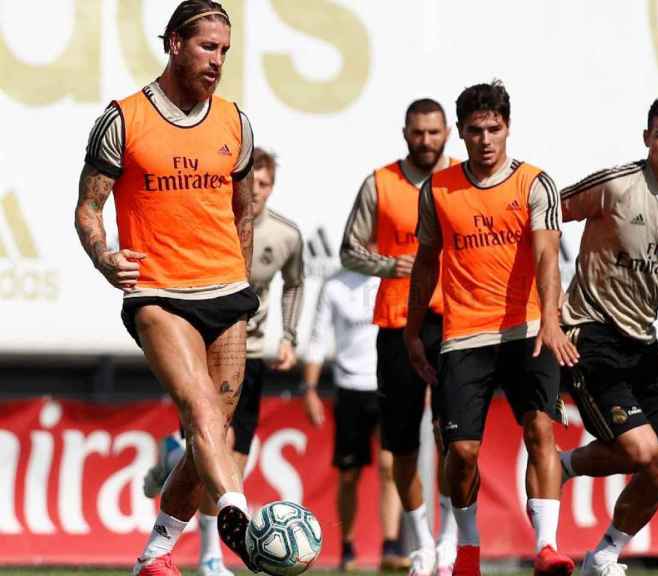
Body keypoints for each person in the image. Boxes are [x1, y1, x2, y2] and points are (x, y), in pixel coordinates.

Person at [73, 1, 260, 574]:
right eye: (208, 47)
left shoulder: (235, 120)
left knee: (215, 431)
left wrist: (243, 280)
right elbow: (87, 209)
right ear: (175, 43)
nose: (217, 61)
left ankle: (156, 554)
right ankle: (241, 519)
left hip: (225, 292)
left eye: (225, 50)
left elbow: (244, 212)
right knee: (200, 408)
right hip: (158, 291)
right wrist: (106, 258)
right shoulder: (124, 119)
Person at [405, 81, 577, 576]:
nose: (485, 139)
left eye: (494, 129)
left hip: (529, 330)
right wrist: (413, 332)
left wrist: (550, 318)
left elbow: (547, 253)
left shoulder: (535, 183)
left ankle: (546, 547)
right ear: (460, 132)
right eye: (476, 130)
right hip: (465, 336)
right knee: (460, 453)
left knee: (541, 428)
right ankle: (468, 548)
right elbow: (424, 263)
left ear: (507, 128)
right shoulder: (438, 190)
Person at [557, 94, 658, 576]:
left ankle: (603, 556)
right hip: (591, 334)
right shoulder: (617, 185)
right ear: (647, 138)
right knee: (641, 451)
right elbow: (546, 216)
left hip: (643, 345)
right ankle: (563, 466)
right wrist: (548, 311)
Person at [139, 148, 305, 576]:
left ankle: (176, 452)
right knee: (216, 446)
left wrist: (288, 335)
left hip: (249, 355)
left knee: (233, 462)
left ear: (273, 187)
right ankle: (211, 555)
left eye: (265, 184)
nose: (256, 192)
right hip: (205, 347)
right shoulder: (215, 230)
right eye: (252, 183)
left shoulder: (286, 235)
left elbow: (294, 285)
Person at [340, 98, 457, 576]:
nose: (426, 141)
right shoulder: (380, 183)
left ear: (446, 131)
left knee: (455, 441)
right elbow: (349, 249)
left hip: (455, 323)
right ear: (405, 132)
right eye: (417, 132)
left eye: (433, 132)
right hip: (396, 324)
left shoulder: (463, 181)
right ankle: (421, 543)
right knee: (402, 444)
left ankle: (450, 541)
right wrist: (391, 265)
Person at [300, 268, 406, 571]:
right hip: (349, 389)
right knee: (349, 475)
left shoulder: (393, 277)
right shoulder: (334, 284)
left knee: (390, 467)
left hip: (388, 386)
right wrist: (309, 388)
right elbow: (318, 339)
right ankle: (347, 548)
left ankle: (390, 545)